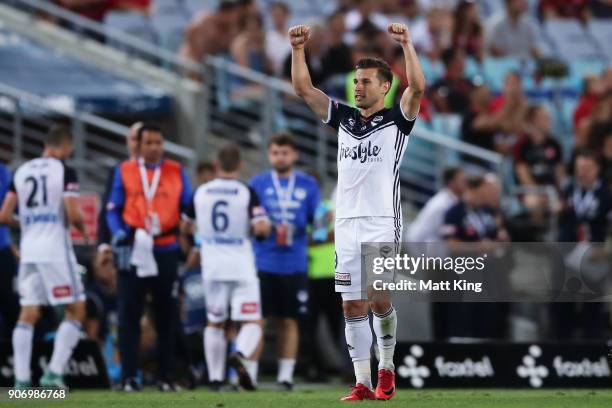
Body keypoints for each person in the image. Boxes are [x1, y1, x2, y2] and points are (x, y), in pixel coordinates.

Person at [290, 21, 425, 400]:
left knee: (379, 296)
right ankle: (362, 382)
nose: (358, 86)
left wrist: (407, 44)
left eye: (366, 81)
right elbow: (303, 89)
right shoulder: (344, 119)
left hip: (382, 220)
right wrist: (298, 49)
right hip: (346, 222)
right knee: (351, 303)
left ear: (385, 86)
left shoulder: (398, 121)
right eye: (356, 80)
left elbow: (418, 87)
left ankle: (386, 369)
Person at [106, 124, 193, 391]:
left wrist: (188, 228)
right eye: (149, 143)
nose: (154, 147)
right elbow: (113, 209)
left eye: (158, 142)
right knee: (128, 316)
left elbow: (189, 206)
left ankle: (165, 377)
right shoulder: (125, 171)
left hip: (166, 247)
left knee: (166, 316)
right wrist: (118, 233)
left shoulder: (176, 171)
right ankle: (129, 376)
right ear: (139, 146)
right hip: (134, 247)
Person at [0, 125, 87, 389]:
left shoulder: (21, 171)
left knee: (27, 314)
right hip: (55, 251)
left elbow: (3, 217)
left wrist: (27, 223)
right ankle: (54, 374)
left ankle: (22, 381)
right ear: (65, 146)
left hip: (29, 251)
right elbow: (73, 215)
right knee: (76, 310)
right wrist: (84, 231)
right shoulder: (64, 170)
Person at [189, 144, 270, 391]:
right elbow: (261, 228)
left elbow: (186, 226)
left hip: (212, 266)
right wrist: (262, 230)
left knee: (214, 322)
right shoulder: (246, 192)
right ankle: (241, 353)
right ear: (240, 165)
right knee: (252, 321)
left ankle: (214, 379)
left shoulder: (201, 192)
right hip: (240, 265)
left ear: (216, 165)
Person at [249, 133, 320, 390]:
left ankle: (286, 376)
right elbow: (248, 220)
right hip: (263, 261)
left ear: (295, 155)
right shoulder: (257, 183)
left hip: (295, 262)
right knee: (257, 319)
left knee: (289, 320)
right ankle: (250, 374)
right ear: (269, 155)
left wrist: (319, 232)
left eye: (285, 153)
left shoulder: (308, 184)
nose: (280, 157)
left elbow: (319, 222)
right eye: (276, 153)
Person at [552, 150, 612, 339]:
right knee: (562, 306)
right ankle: (561, 352)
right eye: (579, 168)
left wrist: (606, 250)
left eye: (587, 168)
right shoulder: (569, 190)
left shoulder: (607, 194)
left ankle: (592, 356)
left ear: (597, 170)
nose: (582, 173)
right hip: (567, 253)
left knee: (591, 308)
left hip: (595, 255)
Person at [407, 167, 466, 242]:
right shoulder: (442, 204)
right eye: (462, 180)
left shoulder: (454, 200)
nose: (466, 183)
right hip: (421, 241)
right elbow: (440, 232)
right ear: (452, 183)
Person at [0, 162, 18, 342]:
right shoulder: (3, 172)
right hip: (3, 250)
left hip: (3, 250)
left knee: (10, 309)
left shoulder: (4, 172)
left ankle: (9, 361)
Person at [428, 48, 473, 114]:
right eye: (461, 58)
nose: (464, 61)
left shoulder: (468, 84)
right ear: (451, 62)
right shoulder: (437, 85)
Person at [265, 2, 292, 76]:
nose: (278, 19)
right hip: (277, 77)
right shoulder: (267, 38)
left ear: (287, 16)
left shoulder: (294, 36)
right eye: (275, 16)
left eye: (280, 15)